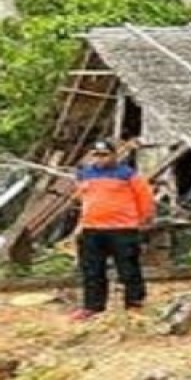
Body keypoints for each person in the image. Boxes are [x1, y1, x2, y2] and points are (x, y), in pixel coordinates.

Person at [71, 138, 153, 322]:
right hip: (92, 229)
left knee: (128, 268)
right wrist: (80, 225)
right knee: (92, 270)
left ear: (114, 155)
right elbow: (82, 200)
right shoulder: (85, 174)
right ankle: (92, 306)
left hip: (122, 228)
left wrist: (142, 220)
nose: (100, 159)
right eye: (96, 155)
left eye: (105, 155)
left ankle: (134, 303)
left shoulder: (128, 174)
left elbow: (145, 198)